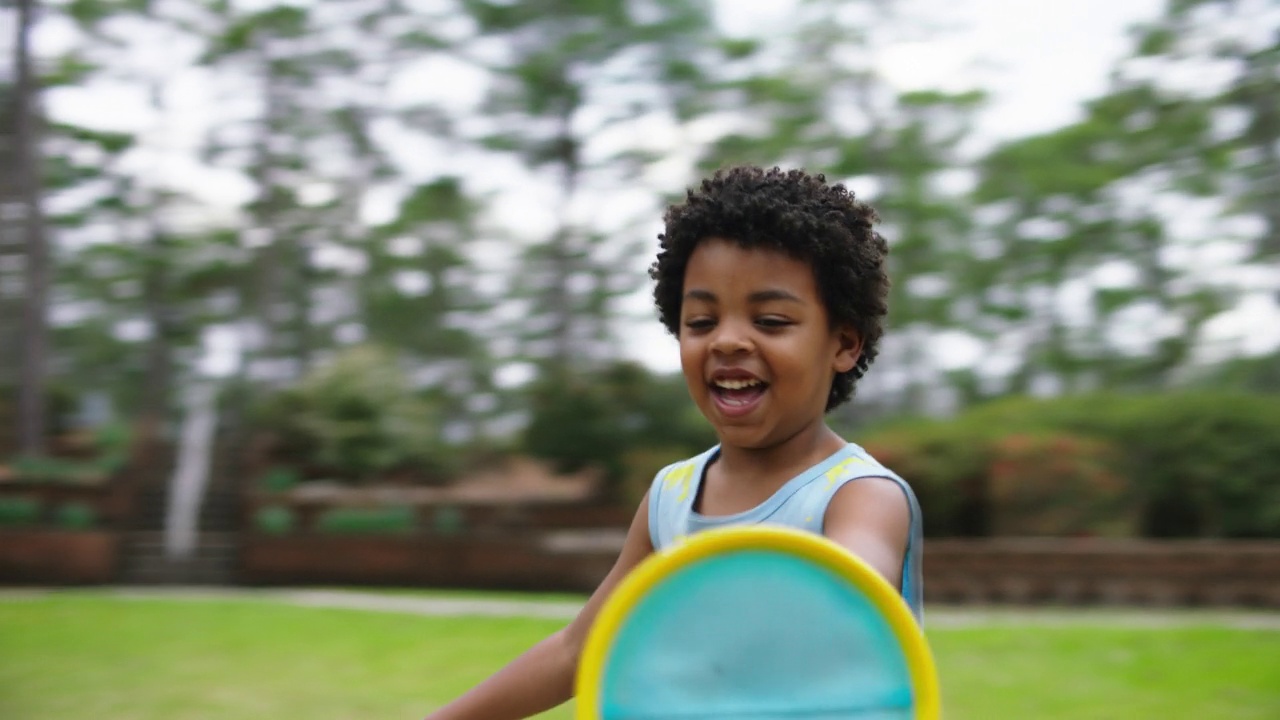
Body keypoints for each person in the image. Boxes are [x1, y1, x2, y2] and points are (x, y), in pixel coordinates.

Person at [424, 165, 923, 720]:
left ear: (844, 344)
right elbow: (579, 650)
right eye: (702, 321)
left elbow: (848, 594)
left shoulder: (858, 495)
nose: (729, 340)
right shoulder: (672, 496)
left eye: (772, 320)